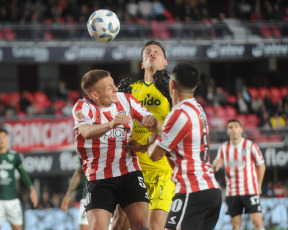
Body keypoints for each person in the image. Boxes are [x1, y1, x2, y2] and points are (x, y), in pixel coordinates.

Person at [130, 62, 222, 230]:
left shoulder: (178, 114)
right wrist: (147, 144)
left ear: (172, 84)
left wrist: (152, 141)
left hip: (191, 189)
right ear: (195, 85)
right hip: (211, 190)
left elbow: (155, 155)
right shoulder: (197, 108)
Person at [72, 69, 161, 230]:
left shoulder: (126, 100)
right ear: (94, 96)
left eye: (113, 84)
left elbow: (157, 127)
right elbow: (86, 132)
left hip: (129, 173)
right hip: (99, 177)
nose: (115, 89)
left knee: (142, 226)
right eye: (108, 87)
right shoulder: (82, 107)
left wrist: (153, 125)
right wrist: (110, 124)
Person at [113, 40, 175, 230]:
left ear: (165, 62)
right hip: (131, 168)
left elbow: (183, 127)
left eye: (157, 51)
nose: (151, 53)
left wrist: (173, 97)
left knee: (153, 227)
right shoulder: (130, 91)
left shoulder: (173, 90)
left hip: (161, 170)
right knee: (117, 224)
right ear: (142, 64)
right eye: (147, 52)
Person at [212, 119, 266, 230]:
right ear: (227, 131)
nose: (233, 129)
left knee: (257, 222)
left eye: (236, 126)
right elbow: (216, 165)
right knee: (236, 225)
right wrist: (215, 166)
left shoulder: (250, 145)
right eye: (230, 127)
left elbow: (261, 165)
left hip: (250, 189)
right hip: (232, 192)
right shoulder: (223, 148)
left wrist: (259, 185)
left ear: (241, 129)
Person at [0, 127, 38, 230]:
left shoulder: (14, 156)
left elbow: (23, 173)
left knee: (17, 228)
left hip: (12, 200)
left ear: (7, 139)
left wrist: (32, 189)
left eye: (3, 137)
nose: (1, 140)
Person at [61, 162, 89, 230]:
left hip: (106, 197)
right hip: (87, 197)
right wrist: (68, 195)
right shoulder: (86, 152)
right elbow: (79, 172)